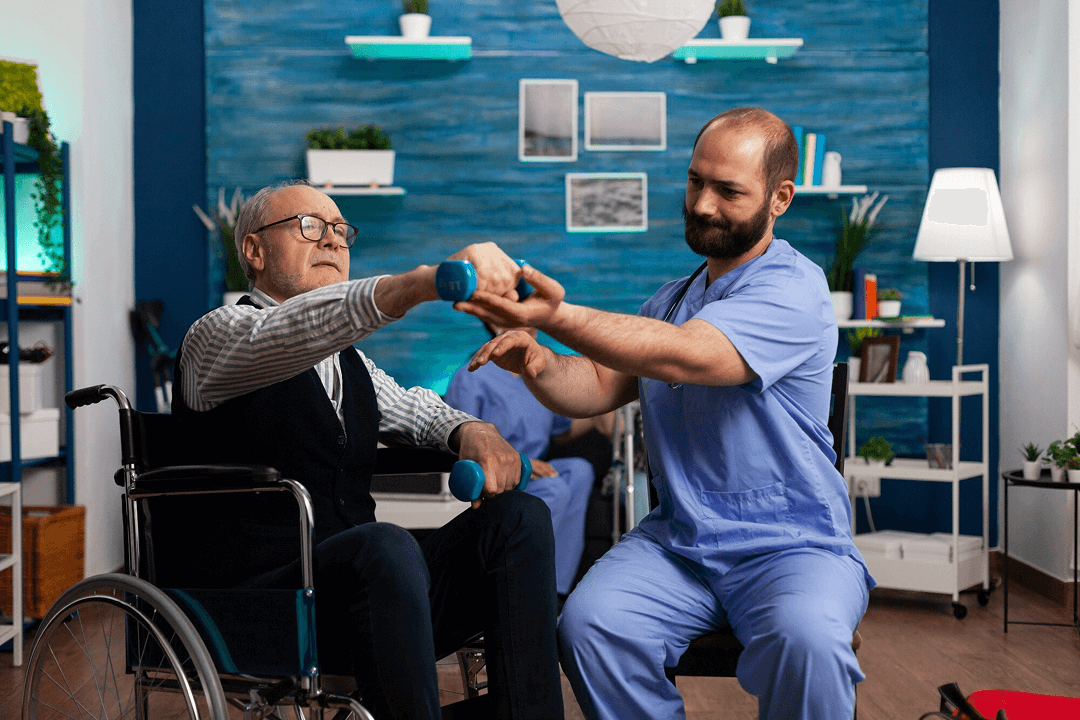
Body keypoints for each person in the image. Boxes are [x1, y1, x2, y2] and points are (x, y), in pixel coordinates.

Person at [455, 107, 874, 719]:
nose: (703, 204)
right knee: (591, 625)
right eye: (695, 181)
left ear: (780, 198)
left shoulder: (795, 289)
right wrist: (539, 363)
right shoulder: (672, 299)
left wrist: (555, 316)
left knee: (807, 639)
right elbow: (598, 383)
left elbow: (693, 355)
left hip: (793, 546)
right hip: (682, 544)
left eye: (728, 190)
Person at [171, 180, 564, 720]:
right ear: (254, 252)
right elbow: (284, 334)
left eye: (340, 231)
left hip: (361, 596)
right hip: (260, 604)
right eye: (309, 227)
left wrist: (473, 430)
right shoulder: (213, 339)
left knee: (517, 519)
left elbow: (416, 408)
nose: (332, 241)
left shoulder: (350, 364)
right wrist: (423, 283)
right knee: (384, 545)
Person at [444, 321, 611, 601]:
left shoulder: (535, 377)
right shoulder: (472, 377)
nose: (528, 324)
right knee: (555, 489)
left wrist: (604, 406)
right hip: (496, 481)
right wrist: (524, 464)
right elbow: (460, 445)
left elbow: (562, 430)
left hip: (531, 475)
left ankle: (555, 591)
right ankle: (527, 591)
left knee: (580, 471)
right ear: (496, 323)